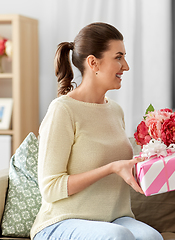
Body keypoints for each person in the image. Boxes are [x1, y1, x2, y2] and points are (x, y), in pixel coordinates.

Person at [30, 22, 163, 240]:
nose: (126, 66)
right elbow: (51, 188)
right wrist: (110, 168)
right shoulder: (62, 110)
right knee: (117, 236)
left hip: (113, 219)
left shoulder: (115, 110)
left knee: (152, 238)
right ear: (93, 63)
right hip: (61, 221)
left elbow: (121, 168)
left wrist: (151, 161)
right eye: (118, 57)